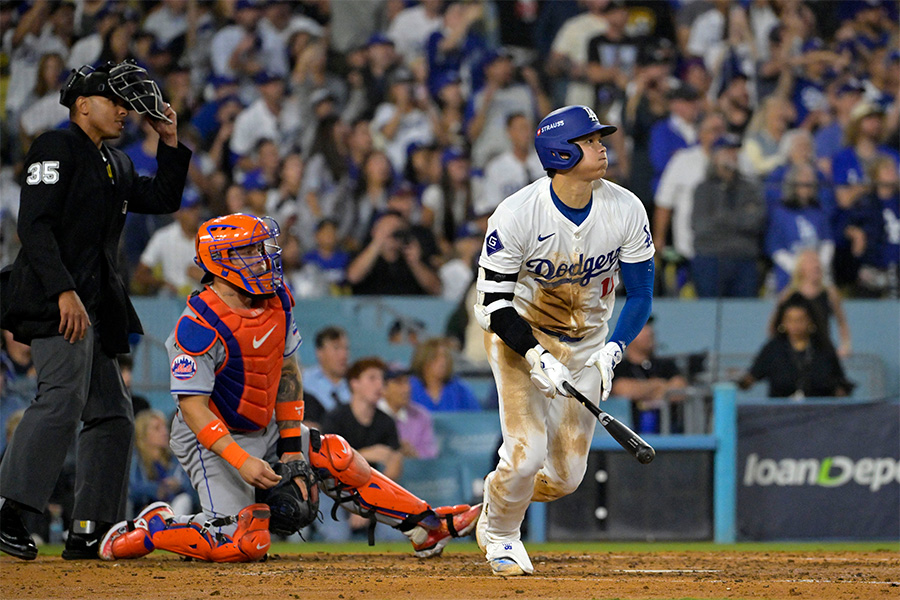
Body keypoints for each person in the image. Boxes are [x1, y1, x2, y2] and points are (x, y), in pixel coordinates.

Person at [98, 213, 481, 563]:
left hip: (263, 424)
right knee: (243, 545)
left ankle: (425, 524)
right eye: (250, 252)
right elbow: (194, 410)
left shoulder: (277, 301)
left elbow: (287, 375)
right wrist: (241, 459)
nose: (264, 259)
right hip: (211, 439)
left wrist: (289, 448)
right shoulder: (197, 325)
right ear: (221, 261)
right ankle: (155, 528)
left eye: (262, 250)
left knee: (334, 455)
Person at [0, 61, 189, 561]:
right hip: (56, 301)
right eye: (115, 101)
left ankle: (91, 527)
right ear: (83, 104)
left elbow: (165, 196)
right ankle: (10, 511)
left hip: (96, 307)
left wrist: (168, 140)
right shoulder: (56, 147)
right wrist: (62, 291)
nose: (125, 111)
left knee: (113, 415)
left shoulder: (116, 162)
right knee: (61, 399)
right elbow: (34, 227)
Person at [473, 105, 654, 576]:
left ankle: (495, 498)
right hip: (520, 335)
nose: (601, 146)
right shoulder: (516, 214)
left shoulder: (626, 207)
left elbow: (642, 294)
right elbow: (494, 304)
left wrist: (614, 351)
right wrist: (535, 354)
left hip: (590, 343)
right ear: (560, 151)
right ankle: (503, 537)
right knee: (525, 452)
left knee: (564, 478)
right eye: (590, 140)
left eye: (600, 139)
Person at [691, 134, 766, 298]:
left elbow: (756, 223)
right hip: (710, 258)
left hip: (744, 258)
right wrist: (740, 217)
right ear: (715, 156)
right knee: (708, 312)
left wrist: (722, 217)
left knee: (743, 313)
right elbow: (701, 227)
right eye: (727, 151)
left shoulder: (749, 188)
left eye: (735, 152)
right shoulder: (703, 189)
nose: (733, 156)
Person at [738, 293, 853, 399]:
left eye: (800, 320)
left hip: (819, 414)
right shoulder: (773, 349)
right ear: (783, 322)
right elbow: (751, 378)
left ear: (810, 321)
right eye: (790, 320)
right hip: (780, 414)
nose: (795, 325)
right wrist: (739, 379)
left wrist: (841, 391)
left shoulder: (823, 347)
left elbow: (840, 383)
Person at [609, 317, 689, 435]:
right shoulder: (618, 367)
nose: (649, 332)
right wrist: (658, 386)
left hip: (668, 434)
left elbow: (680, 389)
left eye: (649, 327)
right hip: (630, 435)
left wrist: (644, 392)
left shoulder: (666, 365)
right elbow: (622, 389)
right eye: (642, 328)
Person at [129, 409, 196, 517]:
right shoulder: (135, 460)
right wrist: (156, 489)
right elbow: (131, 490)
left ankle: (171, 528)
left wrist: (178, 486)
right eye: (157, 428)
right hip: (142, 512)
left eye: (164, 427)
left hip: (172, 508)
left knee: (184, 499)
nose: (165, 432)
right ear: (143, 433)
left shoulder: (174, 459)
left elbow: (191, 490)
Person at [377, 363, 439, 460]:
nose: (407, 388)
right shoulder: (371, 415)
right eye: (399, 383)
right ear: (383, 388)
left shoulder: (421, 416)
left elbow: (430, 454)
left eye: (407, 382)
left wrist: (413, 453)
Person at [409, 337, 481, 412]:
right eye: (435, 357)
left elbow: (476, 419)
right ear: (423, 360)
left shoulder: (460, 389)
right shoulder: (409, 388)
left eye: (445, 357)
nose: (442, 362)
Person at [302, 325, 351, 414]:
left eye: (346, 348)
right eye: (336, 348)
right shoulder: (305, 382)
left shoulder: (355, 383)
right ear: (320, 352)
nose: (343, 355)